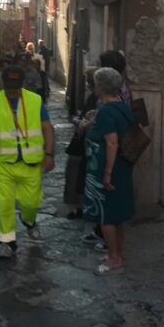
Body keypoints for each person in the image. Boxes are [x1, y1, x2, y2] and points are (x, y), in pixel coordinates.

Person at [0, 62, 55, 260]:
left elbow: (48, 128)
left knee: (31, 203)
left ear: (21, 84)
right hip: (2, 163)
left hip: (31, 163)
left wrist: (49, 154)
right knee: (4, 202)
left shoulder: (35, 101)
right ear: (3, 83)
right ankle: (7, 242)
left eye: (16, 87)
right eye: (9, 86)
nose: (12, 91)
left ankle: (29, 221)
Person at [83, 67, 135, 275]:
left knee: (105, 217)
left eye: (95, 83)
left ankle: (114, 258)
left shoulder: (106, 111)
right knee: (117, 215)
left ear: (100, 87)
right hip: (123, 167)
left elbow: (112, 143)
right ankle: (118, 254)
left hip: (107, 168)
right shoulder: (123, 106)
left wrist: (107, 173)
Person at [64, 69, 98, 219]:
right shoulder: (95, 97)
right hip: (86, 142)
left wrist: (79, 122)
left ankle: (82, 207)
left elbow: (90, 120)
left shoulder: (97, 98)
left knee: (79, 174)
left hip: (88, 143)